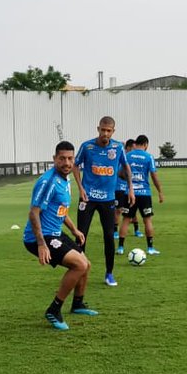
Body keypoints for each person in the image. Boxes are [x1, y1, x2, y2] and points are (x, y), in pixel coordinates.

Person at [23, 141, 96, 330]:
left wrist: (74, 230)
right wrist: (41, 244)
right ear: (54, 159)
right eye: (62, 158)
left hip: (55, 233)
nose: (67, 162)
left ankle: (78, 304)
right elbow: (34, 212)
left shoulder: (66, 178)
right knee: (79, 265)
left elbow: (60, 210)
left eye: (70, 158)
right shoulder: (48, 181)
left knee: (86, 264)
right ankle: (53, 310)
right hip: (39, 237)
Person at [74, 116, 133, 287]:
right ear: (98, 129)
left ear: (113, 131)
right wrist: (80, 188)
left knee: (108, 236)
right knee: (81, 235)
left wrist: (131, 188)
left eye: (109, 130)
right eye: (103, 130)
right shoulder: (87, 146)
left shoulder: (118, 147)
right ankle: (79, 270)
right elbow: (75, 165)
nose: (105, 133)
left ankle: (109, 273)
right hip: (88, 197)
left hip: (108, 199)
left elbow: (126, 166)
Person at [118, 134, 164, 255]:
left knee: (126, 220)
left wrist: (129, 179)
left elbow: (121, 174)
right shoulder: (149, 157)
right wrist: (160, 191)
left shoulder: (127, 155)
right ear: (146, 144)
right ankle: (150, 248)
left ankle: (120, 248)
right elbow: (154, 176)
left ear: (136, 143)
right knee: (147, 220)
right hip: (144, 193)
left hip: (129, 193)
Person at [113, 139, 140, 240]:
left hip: (130, 188)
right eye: (132, 148)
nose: (134, 150)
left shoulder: (132, 159)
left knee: (133, 209)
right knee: (118, 210)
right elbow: (119, 173)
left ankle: (137, 229)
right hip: (119, 187)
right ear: (128, 148)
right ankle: (115, 231)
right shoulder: (121, 157)